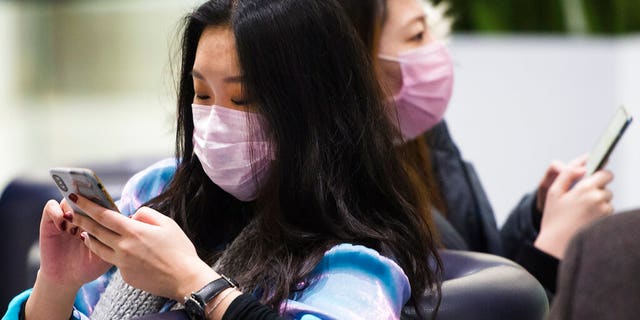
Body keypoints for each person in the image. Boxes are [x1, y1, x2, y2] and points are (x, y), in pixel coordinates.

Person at [3, 0, 442, 319]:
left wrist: (191, 281)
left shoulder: (354, 254)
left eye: (243, 97)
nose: (215, 119)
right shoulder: (158, 192)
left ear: (313, 109)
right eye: (201, 94)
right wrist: (57, 285)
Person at [335, 0, 615, 296]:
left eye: (428, 27)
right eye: (417, 35)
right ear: (357, 58)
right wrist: (549, 254)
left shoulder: (424, 138)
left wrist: (537, 219)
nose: (438, 47)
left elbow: (483, 264)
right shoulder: (347, 210)